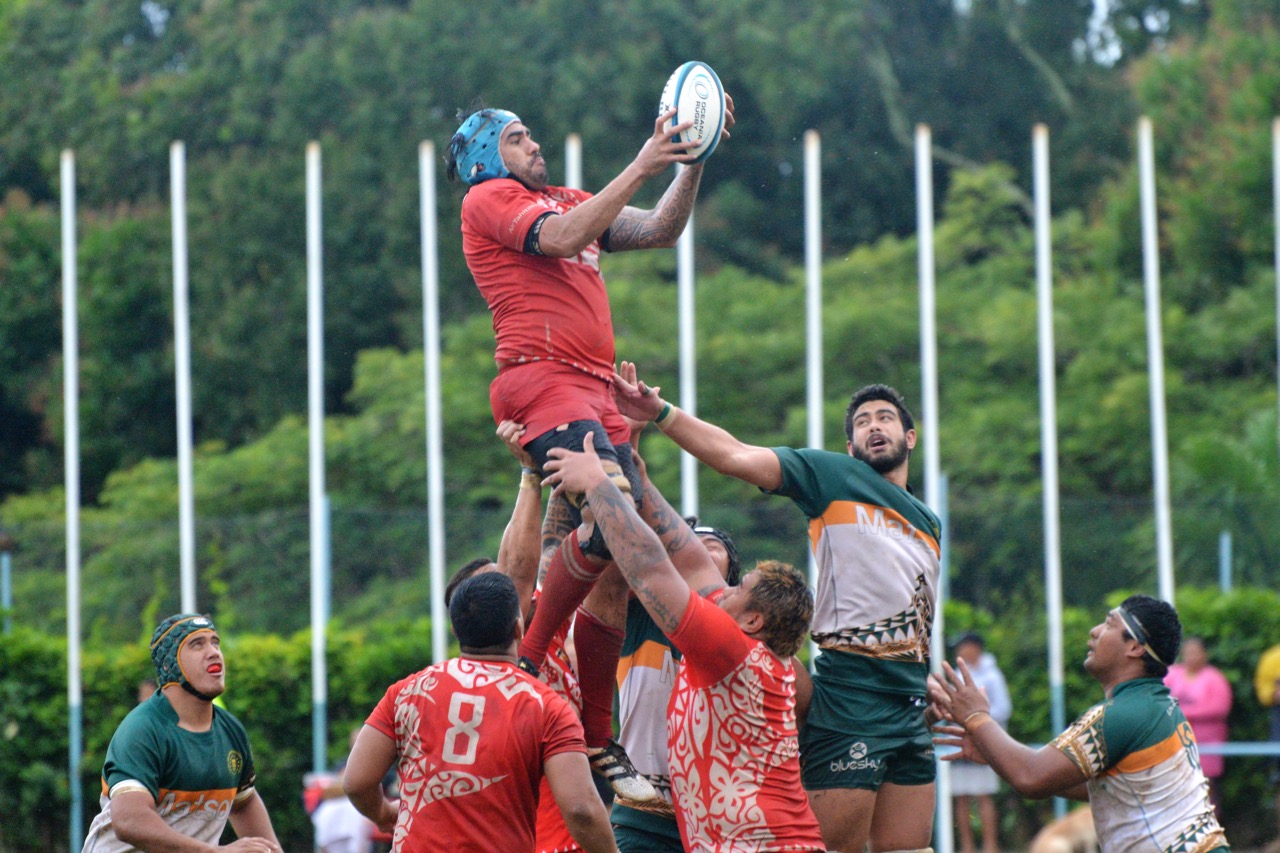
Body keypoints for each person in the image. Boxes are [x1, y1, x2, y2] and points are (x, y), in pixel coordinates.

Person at [444, 100, 733, 797]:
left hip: (596, 391)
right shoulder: (489, 198)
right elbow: (564, 236)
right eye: (517, 137)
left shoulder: (564, 196)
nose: (534, 143)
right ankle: (533, 655)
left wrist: (691, 160)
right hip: (544, 383)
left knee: (621, 565)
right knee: (616, 521)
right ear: (485, 155)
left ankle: (600, 740)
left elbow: (661, 228)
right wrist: (644, 158)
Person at [613, 365, 942, 853]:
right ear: (850, 446)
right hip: (852, 699)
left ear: (910, 437)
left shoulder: (930, 521)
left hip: (911, 703)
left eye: (886, 418)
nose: (875, 426)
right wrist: (661, 413)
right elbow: (733, 456)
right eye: (863, 421)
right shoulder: (835, 475)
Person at [544, 432, 825, 852]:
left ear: (752, 619)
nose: (722, 590)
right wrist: (639, 482)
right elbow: (690, 559)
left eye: (736, 589)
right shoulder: (750, 642)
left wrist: (598, 484)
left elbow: (651, 569)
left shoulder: (730, 648)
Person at [929, 594, 1230, 852]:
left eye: (1110, 624)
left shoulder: (1120, 714)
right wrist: (998, 755)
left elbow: (1031, 777)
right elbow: (1109, 788)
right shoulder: (1158, 705)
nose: (1095, 630)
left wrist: (976, 717)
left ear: (1136, 647)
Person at [343, 571, 617, 853]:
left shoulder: (409, 691)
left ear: (455, 630)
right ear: (518, 628)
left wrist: (384, 813)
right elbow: (581, 808)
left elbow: (356, 781)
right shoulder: (546, 706)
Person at [82, 613, 283, 853]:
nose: (213, 652)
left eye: (215, 642)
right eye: (197, 644)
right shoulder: (143, 729)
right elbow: (129, 821)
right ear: (168, 664)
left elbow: (244, 801)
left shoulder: (231, 731)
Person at [948, 633, 1010, 853]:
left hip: (985, 743)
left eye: (962, 647)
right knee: (961, 796)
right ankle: (966, 848)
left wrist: (977, 720)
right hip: (961, 742)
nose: (958, 652)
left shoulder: (992, 676)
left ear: (974, 648)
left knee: (984, 795)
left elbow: (1003, 708)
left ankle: (990, 847)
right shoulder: (956, 675)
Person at [1164, 636, 1232, 816]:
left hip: (1206, 743)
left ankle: (1210, 830)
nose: (1191, 656)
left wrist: (1184, 713)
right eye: (1188, 652)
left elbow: (1220, 707)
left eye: (1196, 652)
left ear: (1205, 654)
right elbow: (1160, 701)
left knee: (1205, 787)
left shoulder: (1214, 678)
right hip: (1175, 743)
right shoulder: (1172, 674)